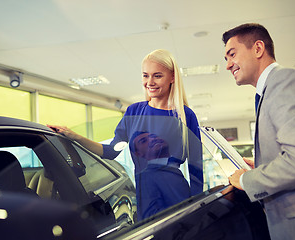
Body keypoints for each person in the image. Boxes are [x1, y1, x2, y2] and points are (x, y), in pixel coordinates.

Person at [48, 49, 203, 219]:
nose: (149, 82)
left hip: (176, 193)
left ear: (172, 77)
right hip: (145, 194)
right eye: (145, 75)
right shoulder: (133, 112)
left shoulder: (185, 115)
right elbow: (110, 151)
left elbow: (196, 166)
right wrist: (74, 136)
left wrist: (197, 205)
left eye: (157, 76)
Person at [223, 23, 295, 240]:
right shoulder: (271, 90)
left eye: (232, 55)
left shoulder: (286, 82)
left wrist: (245, 181)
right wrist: (260, 167)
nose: (228, 65)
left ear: (258, 49)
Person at [129, 131, 191, 220]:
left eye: (153, 136)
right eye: (143, 141)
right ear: (138, 154)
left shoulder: (175, 165)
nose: (153, 139)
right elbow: (151, 217)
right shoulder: (144, 177)